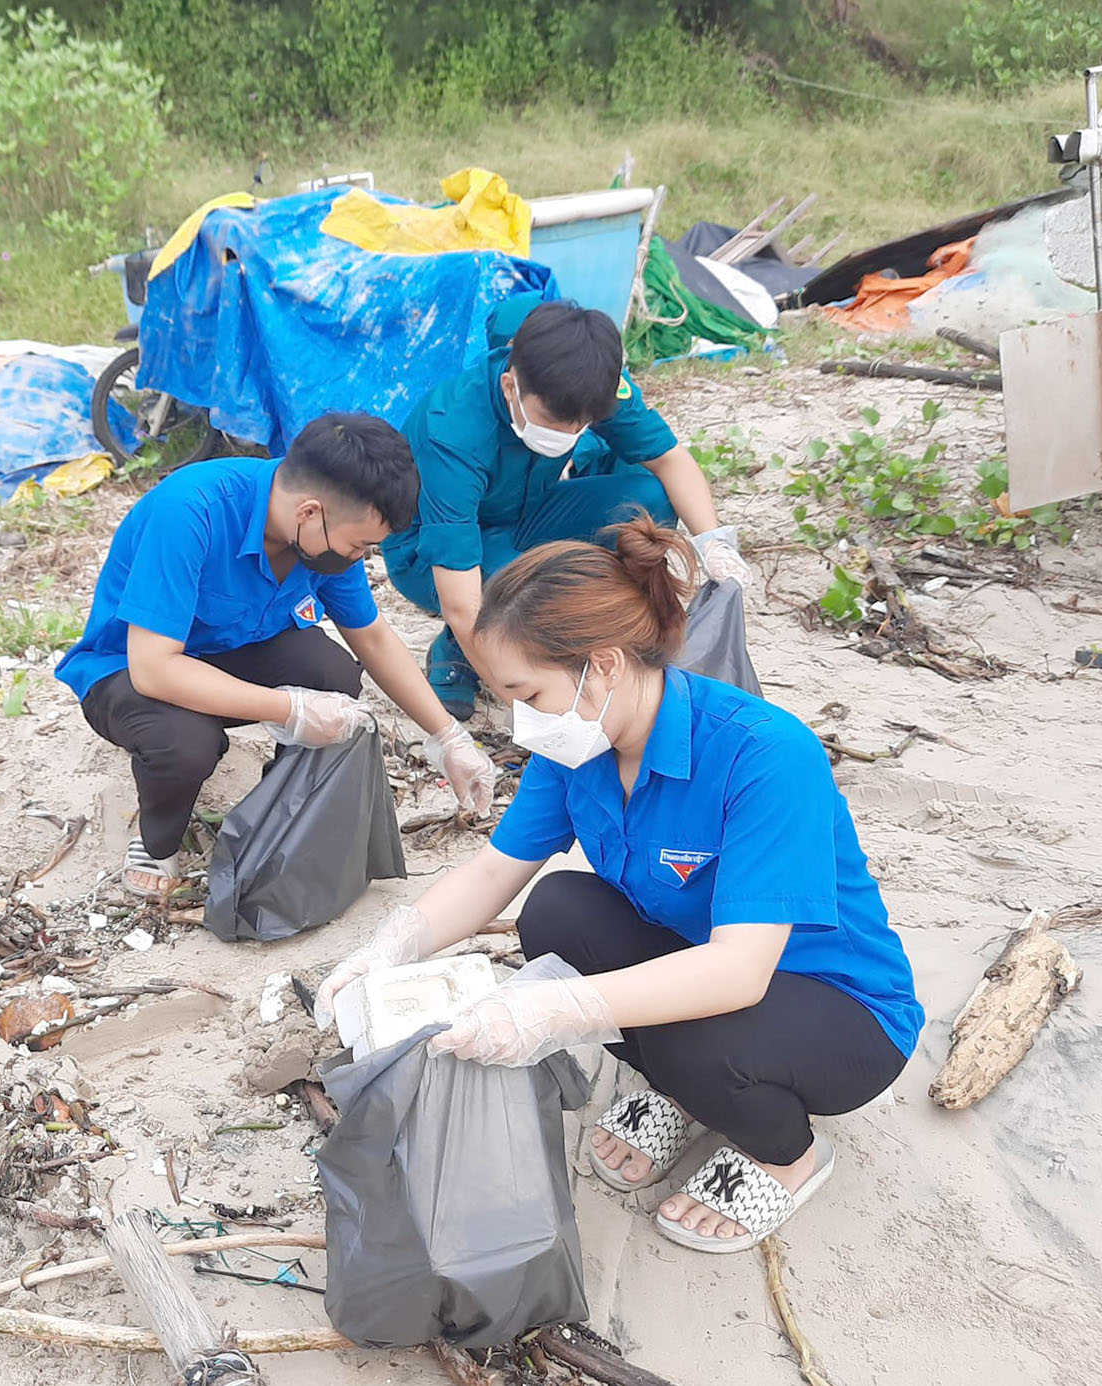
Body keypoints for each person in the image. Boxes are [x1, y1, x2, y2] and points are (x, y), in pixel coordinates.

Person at [316, 517, 922, 1252]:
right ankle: (682, 1092)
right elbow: (493, 873)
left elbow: (739, 968)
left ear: (602, 665)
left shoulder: (764, 753)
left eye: (528, 693)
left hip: (837, 1007)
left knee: (699, 1040)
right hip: (707, 963)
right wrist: (390, 949)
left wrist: (554, 1009)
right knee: (559, 910)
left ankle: (787, 1157)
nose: (522, 720)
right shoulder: (579, 746)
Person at [55, 413, 499, 897]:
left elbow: (370, 636)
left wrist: (447, 737)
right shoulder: (192, 511)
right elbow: (154, 668)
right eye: (360, 546)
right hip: (130, 670)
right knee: (186, 742)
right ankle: (156, 840)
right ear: (309, 512)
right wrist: (290, 709)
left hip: (236, 650)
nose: (361, 558)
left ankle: (277, 813)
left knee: (331, 675)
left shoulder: (327, 537)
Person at [380, 294, 750, 718]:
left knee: (649, 502)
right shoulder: (453, 432)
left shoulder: (588, 383)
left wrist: (714, 544)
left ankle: (532, 638)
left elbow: (670, 460)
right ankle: (466, 649)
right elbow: (461, 600)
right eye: (555, 422)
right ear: (510, 387)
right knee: (530, 597)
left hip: (526, 515)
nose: (570, 432)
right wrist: (526, 707)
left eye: (581, 424)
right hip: (432, 556)